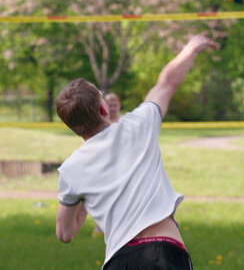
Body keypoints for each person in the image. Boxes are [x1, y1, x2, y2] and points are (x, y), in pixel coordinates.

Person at [55, 32, 219, 269]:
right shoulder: (139, 125)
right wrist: (191, 48)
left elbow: (65, 233)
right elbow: (167, 84)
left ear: (71, 126)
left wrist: (81, 196)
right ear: (104, 109)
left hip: (120, 261)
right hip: (165, 252)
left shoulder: (71, 171)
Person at [92, 93, 121, 238]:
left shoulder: (124, 122)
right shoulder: (101, 123)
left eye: (115, 105)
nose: (113, 108)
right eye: (110, 105)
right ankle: (99, 228)